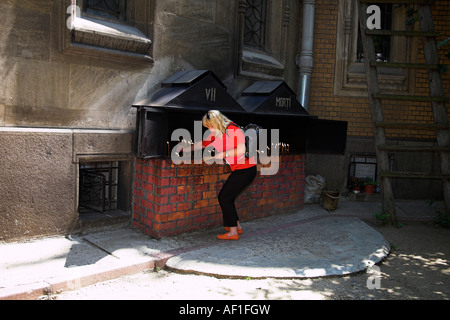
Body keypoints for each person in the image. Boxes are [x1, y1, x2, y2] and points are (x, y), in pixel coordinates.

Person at [184, 110, 257, 240]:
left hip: (246, 169)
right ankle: (236, 227)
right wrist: (184, 149)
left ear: (216, 122)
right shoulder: (217, 133)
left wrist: (223, 154)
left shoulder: (233, 129)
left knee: (224, 198)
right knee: (228, 197)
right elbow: (203, 144)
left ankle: (233, 232)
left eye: (210, 126)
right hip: (240, 170)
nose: (209, 129)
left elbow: (241, 149)